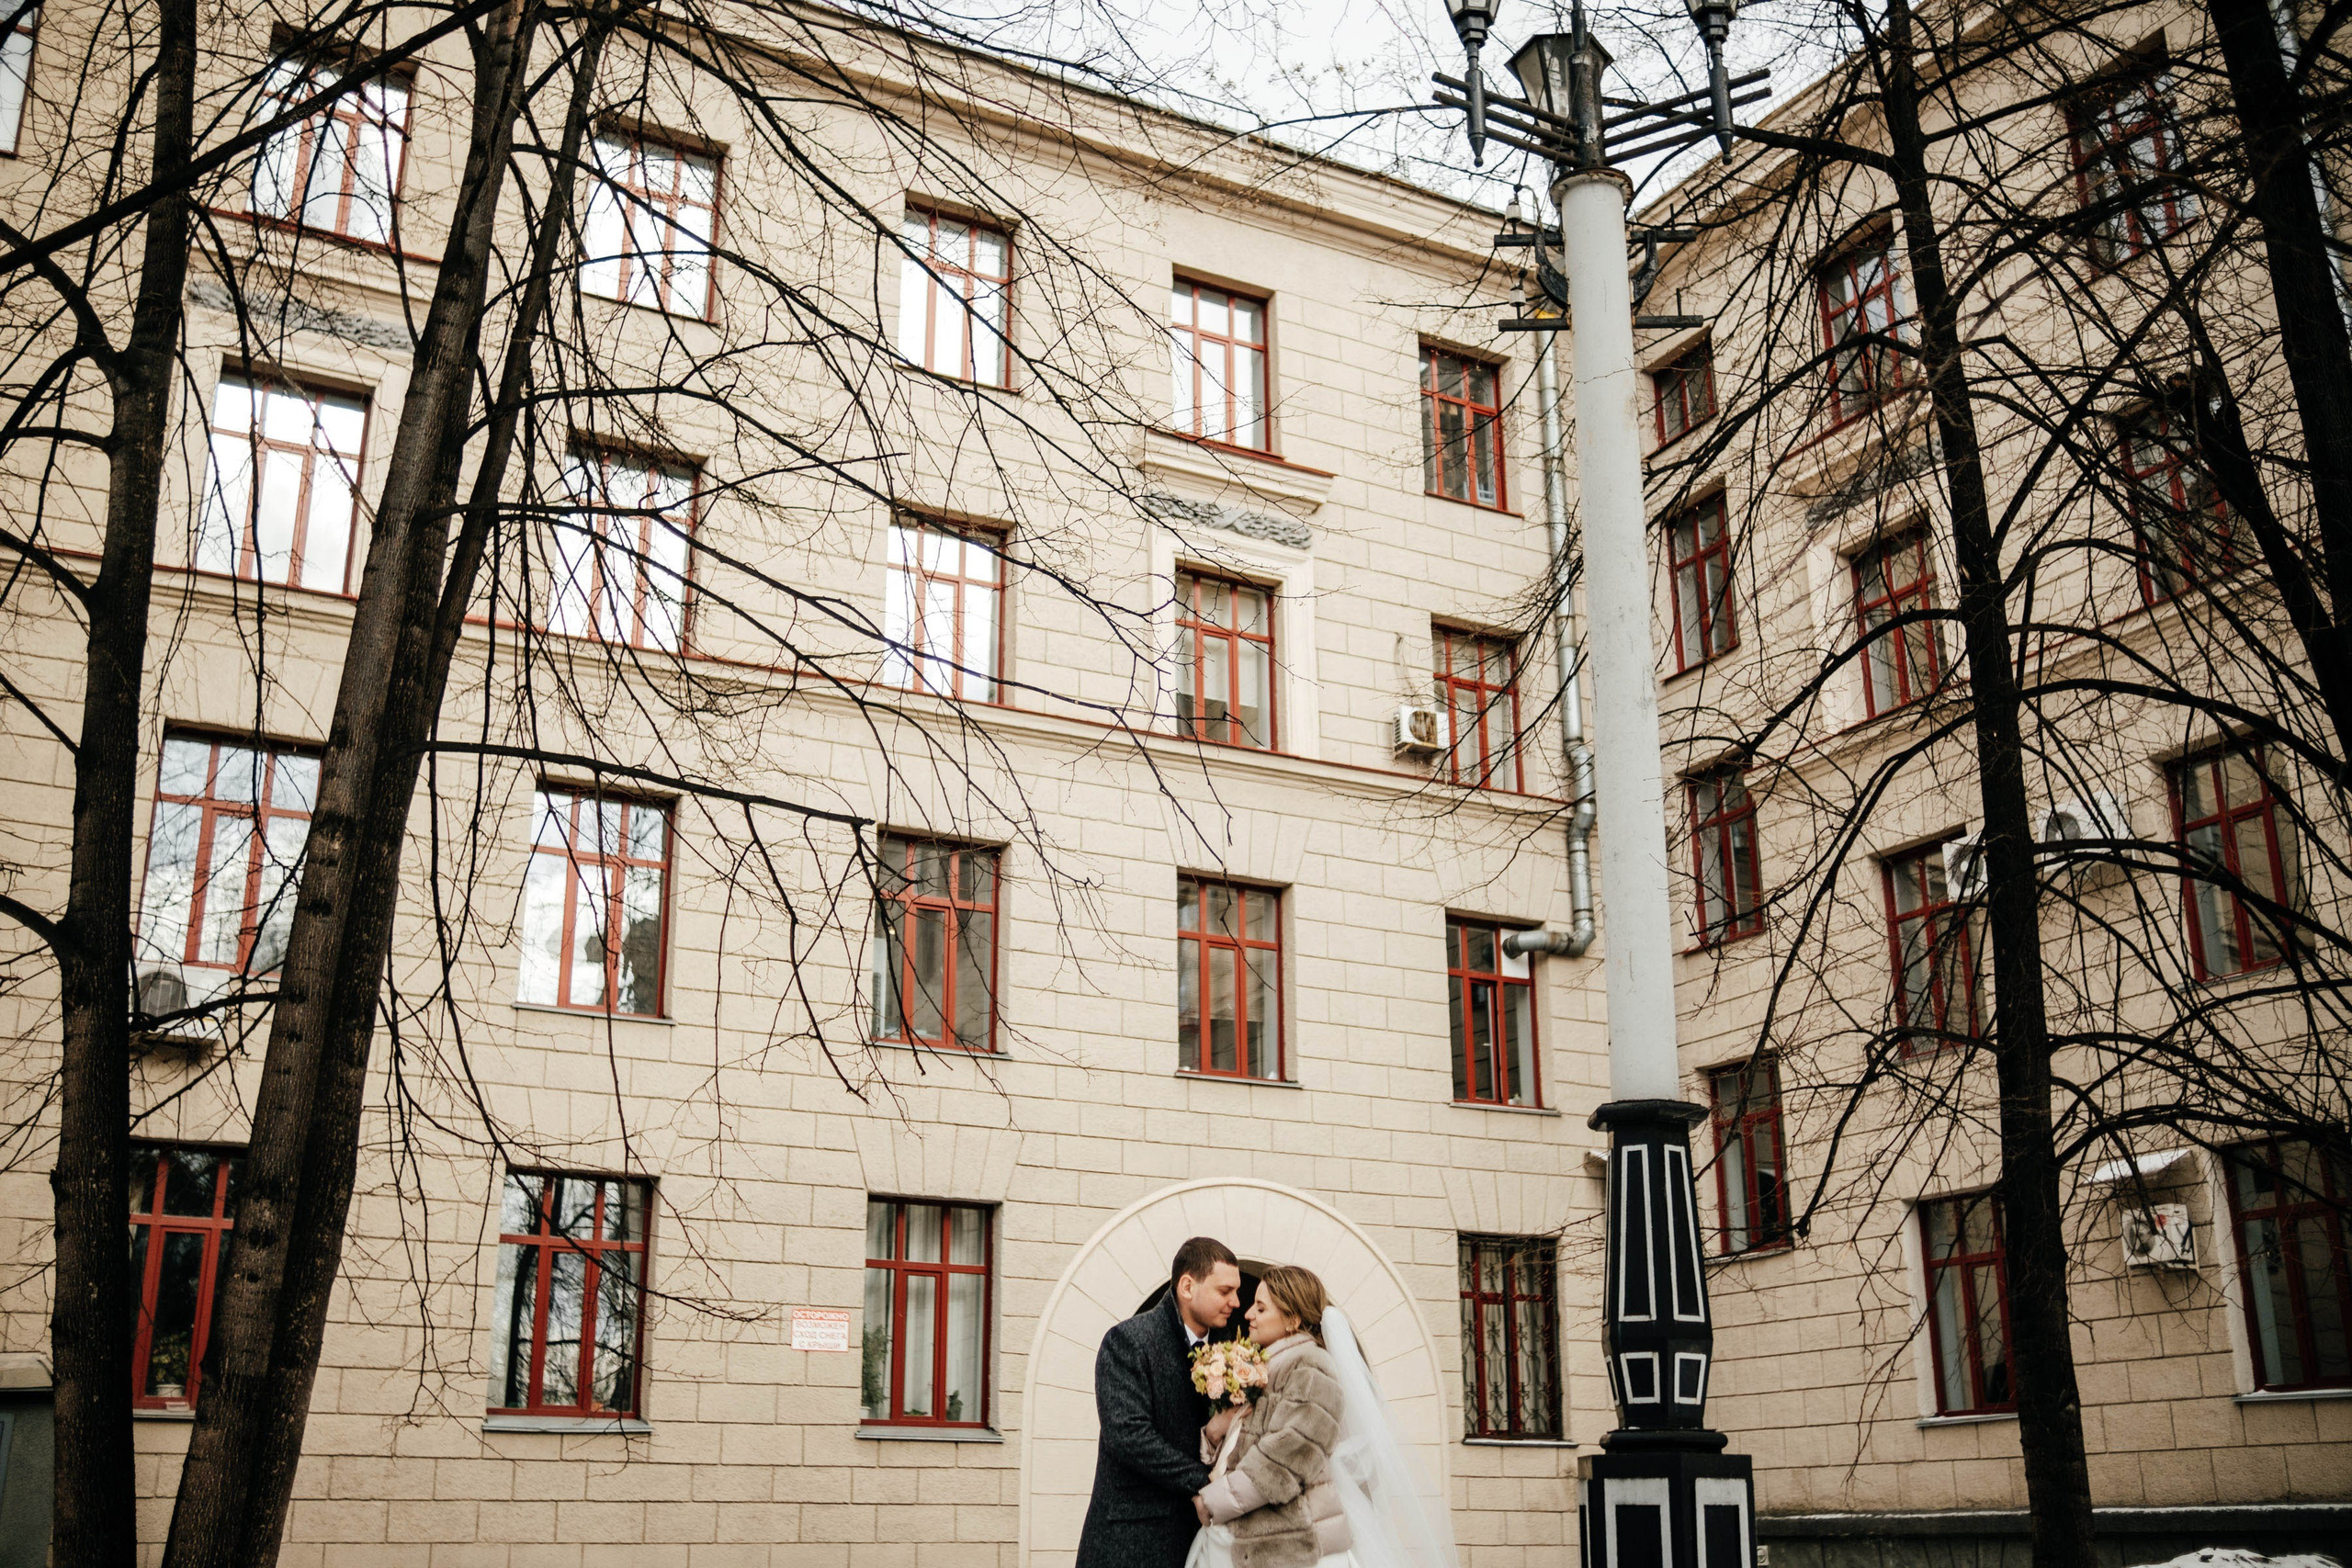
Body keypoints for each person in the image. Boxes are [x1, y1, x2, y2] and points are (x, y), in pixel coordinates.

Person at [1189, 1266, 1459, 1568]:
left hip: (1293, 1548)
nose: (1249, 1314)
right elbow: (1245, 1452)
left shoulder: (1311, 1368)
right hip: (1263, 1543)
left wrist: (1212, 1502)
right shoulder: (1270, 1370)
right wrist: (1215, 1432)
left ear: (1292, 1319)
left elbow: (1285, 1459)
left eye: (1261, 1308)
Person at [1076, 1236, 1242, 1568]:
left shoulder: (1233, 1348)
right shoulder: (1129, 1341)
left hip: (1204, 1540)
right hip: (1133, 1537)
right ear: (1187, 1286)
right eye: (1225, 1291)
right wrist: (1201, 1481)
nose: (1236, 1302)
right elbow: (1128, 1436)